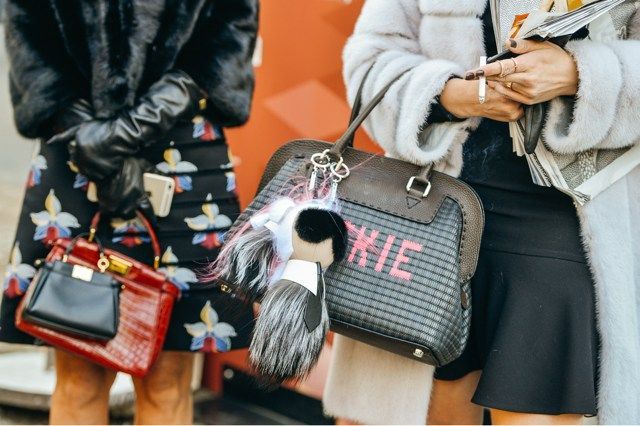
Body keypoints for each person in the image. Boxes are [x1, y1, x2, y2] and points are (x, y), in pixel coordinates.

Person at [323, 0, 640, 424]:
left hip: (565, 225)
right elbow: (369, 60)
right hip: (425, 214)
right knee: (412, 415)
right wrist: (449, 94)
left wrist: (579, 73)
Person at [1, 1, 258, 424]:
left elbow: (228, 27)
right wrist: (90, 136)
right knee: (78, 369)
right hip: (74, 139)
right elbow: (28, 23)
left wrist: (127, 130)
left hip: (183, 149)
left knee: (166, 376)